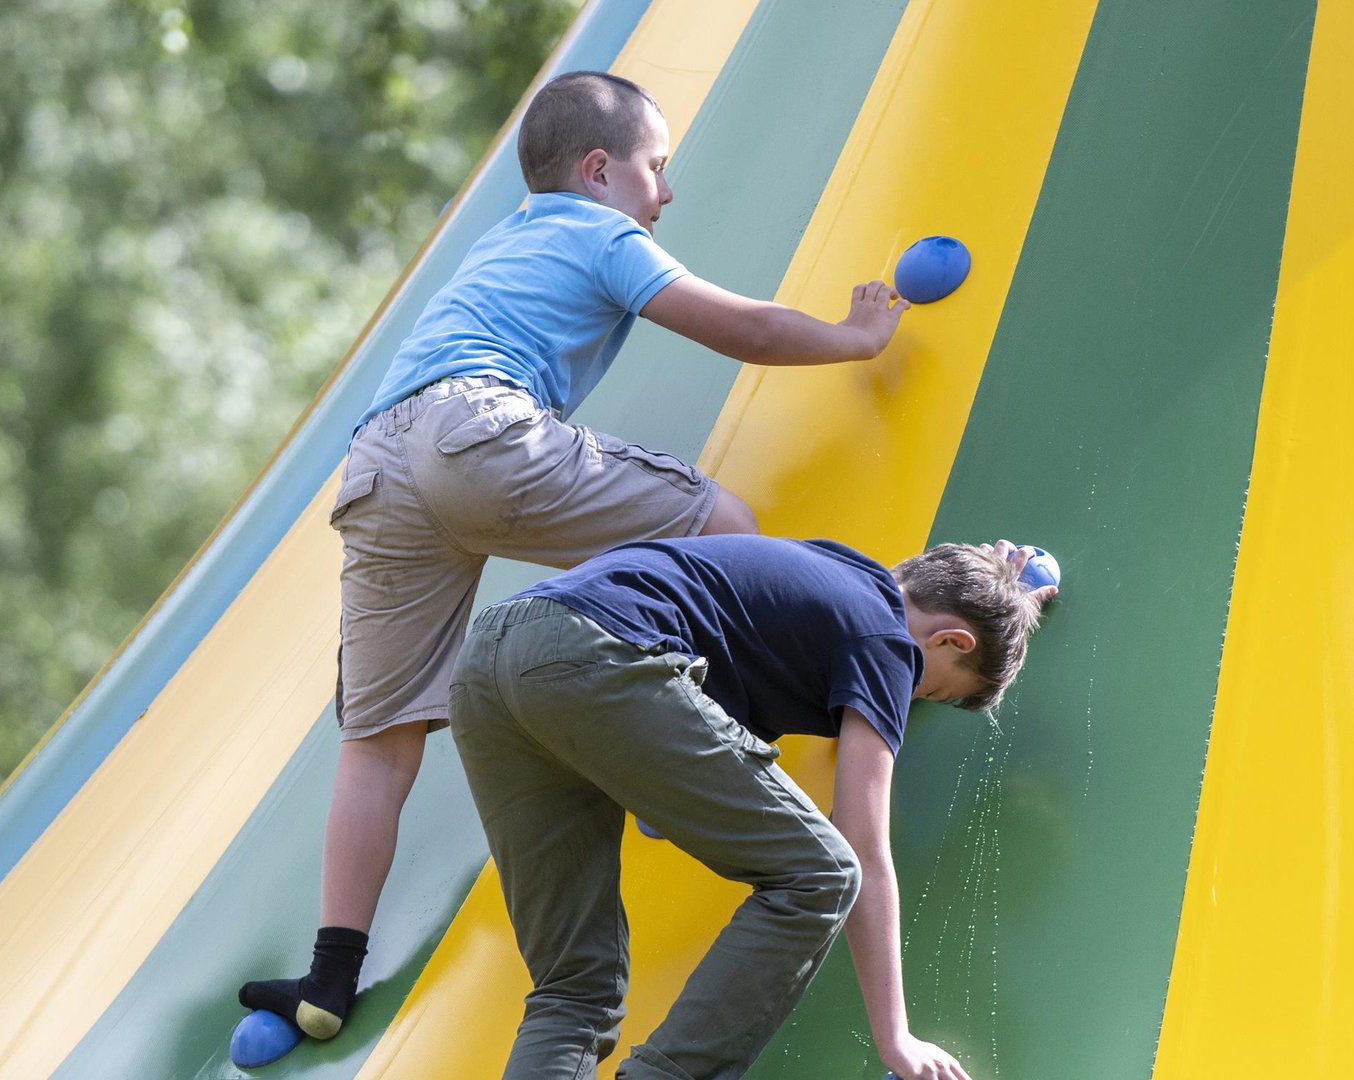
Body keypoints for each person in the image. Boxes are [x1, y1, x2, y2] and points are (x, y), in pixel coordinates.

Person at [238, 69, 911, 1041]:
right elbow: (741, 327)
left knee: (377, 741)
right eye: (656, 167)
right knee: (726, 525)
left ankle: (328, 978)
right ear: (600, 171)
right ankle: (697, 745)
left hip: (377, 463)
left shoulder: (503, 240)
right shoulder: (603, 233)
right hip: (479, 430)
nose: (666, 192)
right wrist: (853, 338)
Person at [448, 534, 1055, 1080]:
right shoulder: (887, 642)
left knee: (576, 986)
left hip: (493, 664)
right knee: (822, 872)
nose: (909, 697)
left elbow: (924, 597)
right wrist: (895, 1038)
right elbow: (864, 851)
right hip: (600, 653)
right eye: (930, 689)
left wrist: (1006, 600)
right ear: (950, 639)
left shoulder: (831, 580)